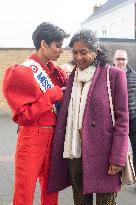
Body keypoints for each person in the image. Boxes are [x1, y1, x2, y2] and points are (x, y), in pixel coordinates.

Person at [47, 30, 129, 205]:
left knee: (106, 202)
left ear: (95, 51)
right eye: (75, 52)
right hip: (75, 152)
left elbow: (122, 120)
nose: (78, 57)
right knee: (80, 201)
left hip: (104, 155)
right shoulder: (71, 78)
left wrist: (118, 157)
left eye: (83, 52)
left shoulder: (113, 75)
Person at [3, 22, 69, 205]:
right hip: (32, 136)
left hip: (54, 136)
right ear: (43, 44)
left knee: (51, 190)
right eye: (58, 45)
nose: (61, 50)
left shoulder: (55, 72)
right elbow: (23, 116)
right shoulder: (22, 72)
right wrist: (50, 96)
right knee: (25, 191)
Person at [114, 49, 136, 176]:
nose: (121, 62)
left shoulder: (134, 76)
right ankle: (114, 178)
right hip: (114, 120)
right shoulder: (107, 76)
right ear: (114, 60)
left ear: (127, 60)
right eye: (118, 59)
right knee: (115, 150)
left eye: (123, 59)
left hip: (132, 118)